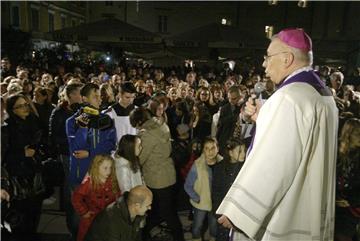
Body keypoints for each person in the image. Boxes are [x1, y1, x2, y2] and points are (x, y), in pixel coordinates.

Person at [216, 28, 338, 240]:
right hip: (310, 208)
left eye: (268, 57)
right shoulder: (322, 94)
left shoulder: (288, 98)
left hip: (286, 213)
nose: (264, 64)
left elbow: (275, 163)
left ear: (287, 58)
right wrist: (262, 119)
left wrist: (239, 211)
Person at [129, 107, 185, 241]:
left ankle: (177, 238)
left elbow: (140, 158)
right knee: (160, 210)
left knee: (166, 213)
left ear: (139, 122)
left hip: (156, 178)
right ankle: (145, 234)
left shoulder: (146, 134)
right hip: (168, 174)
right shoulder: (161, 124)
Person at [72, 155, 121, 241]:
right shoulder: (89, 183)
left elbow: (118, 196)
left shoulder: (112, 181)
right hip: (91, 218)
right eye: (105, 168)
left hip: (107, 218)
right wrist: (84, 212)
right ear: (96, 167)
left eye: (110, 168)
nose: (109, 171)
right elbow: (76, 197)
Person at [184, 137, 223, 241]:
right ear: (203, 150)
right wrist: (196, 197)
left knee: (214, 226)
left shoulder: (223, 163)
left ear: (218, 149)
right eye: (207, 148)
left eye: (213, 148)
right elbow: (188, 185)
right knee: (197, 225)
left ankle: (213, 238)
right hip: (201, 202)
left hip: (216, 203)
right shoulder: (197, 165)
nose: (210, 151)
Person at [84, 185, 153, 241]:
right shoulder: (111, 219)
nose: (150, 208)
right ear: (137, 206)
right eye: (148, 205)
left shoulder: (138, 214)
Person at [211, 138, 246, 241]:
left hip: (239, 214)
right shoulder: (220, 168)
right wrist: (218, 214)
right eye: (239, 151)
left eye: (244, 150)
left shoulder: (246, 168)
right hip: (224, 213)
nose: (243, 154)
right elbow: (216, 192)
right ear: (230, 153)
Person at [335, 118, 360, 241]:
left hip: (351, 208)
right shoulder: (337, 153)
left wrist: (350, 200)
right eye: (358, 134)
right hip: (339, 205)